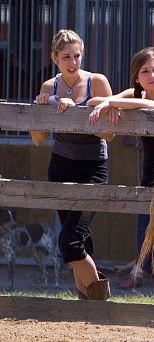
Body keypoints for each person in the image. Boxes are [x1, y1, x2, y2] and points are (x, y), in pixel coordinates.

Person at [89, 47, 154, 288]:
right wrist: (112, 106)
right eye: (145, 71)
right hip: (150, 174)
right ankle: (143, 274)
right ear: (137, 77)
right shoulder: (137, 94)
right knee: (145, 233)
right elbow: (92, 102)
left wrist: (115, 103)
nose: (152, 75)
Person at [31, 29, 114, 300]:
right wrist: (43, 108)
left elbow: (111, 134)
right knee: (81, 239)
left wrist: (80, 113)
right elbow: (38, 139)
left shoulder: (97, 82)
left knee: (69, 242)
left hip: (93, 166)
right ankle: (85, 303)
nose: (73, 62)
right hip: (61, 166)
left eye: (77, 56)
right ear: (54, 57)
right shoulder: (48, 86)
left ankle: (100, 302)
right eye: (66, 56)